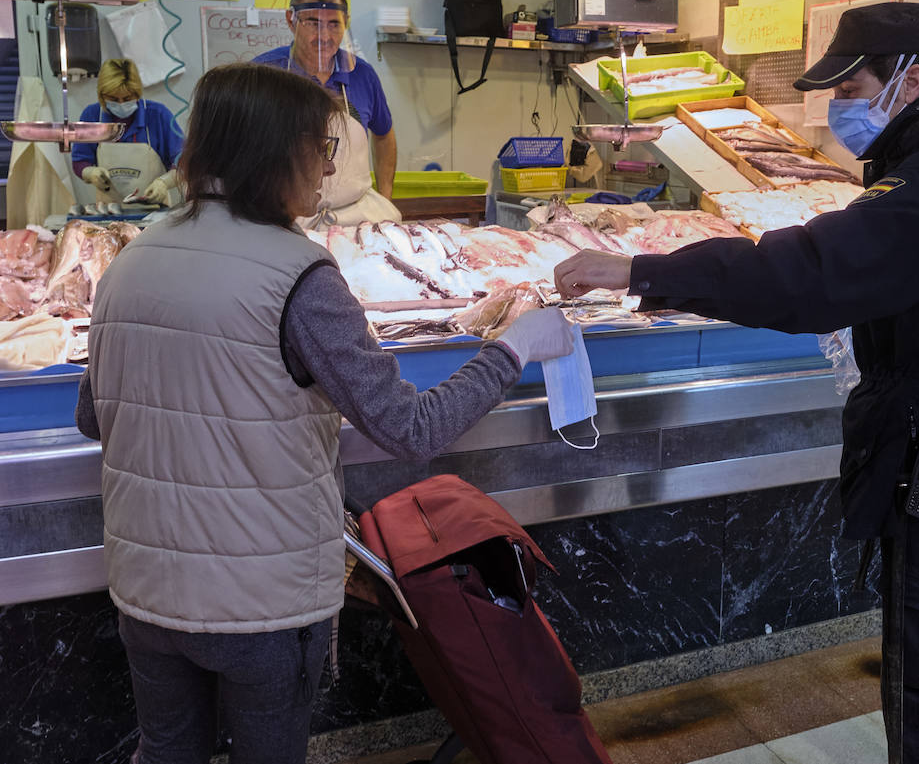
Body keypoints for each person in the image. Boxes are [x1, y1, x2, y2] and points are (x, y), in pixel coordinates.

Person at [553, 2, 919, 764]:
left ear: (913, 79)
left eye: (854, 86)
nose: (841, 108)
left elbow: (802, 275)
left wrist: (642, 270)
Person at [75, 62, 573, 764]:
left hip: (146, 595)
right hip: (264, 608)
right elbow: (410, 427)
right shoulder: (301, 276)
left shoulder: (128, 261)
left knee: (165, 753)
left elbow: (95, 418)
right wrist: (513, 348)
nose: (327, 166)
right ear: (273, 152)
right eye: (321, 145)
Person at [253, 0, 400, 225]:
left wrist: (385, 196)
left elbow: (384, 135)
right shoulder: (263, 74)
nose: (324, 36)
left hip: (355, 217)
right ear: (292, 20)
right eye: (313, 23)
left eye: (334, 24)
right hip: (284, 219)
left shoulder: (362, 75)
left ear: (346, 23)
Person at [72, 58, 184, 206]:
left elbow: (184, 162)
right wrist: (90, 173)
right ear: (102, 96)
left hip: (154, 212)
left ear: (137, 94)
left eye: (127, 98)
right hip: (109, 213)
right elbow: (79, 160)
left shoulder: (158, 115)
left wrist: (164, 183)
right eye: (112, 98)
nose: (121, 104)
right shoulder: (92, 116)